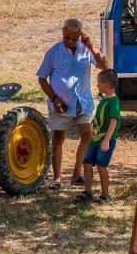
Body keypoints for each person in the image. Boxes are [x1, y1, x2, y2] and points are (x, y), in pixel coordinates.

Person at [37, 18, 109, 189]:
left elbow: (105, 66)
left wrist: (90, 46)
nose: (70, 41)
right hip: (60, 104)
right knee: (58, 139)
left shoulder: (86, 49)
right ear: (62, 32)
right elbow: (42, 79)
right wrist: (54, 98)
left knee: (87, 135)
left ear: (80, 35)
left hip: (83, 102)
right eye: (67, 37)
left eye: (74, 38)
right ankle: (57, 177)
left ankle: (77, 174)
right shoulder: (54, 52)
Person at [76, 69, 121, 205]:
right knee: (87, 163)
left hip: (105, 140)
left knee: (101, 166)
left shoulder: (114, 102)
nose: (97, 86)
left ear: (105, 85)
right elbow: (101, 117)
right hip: (95, 139)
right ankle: (88, 191)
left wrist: (107, 139)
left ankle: (105, 195)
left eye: (98, 83)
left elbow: (114, 121)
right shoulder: (104, 99)